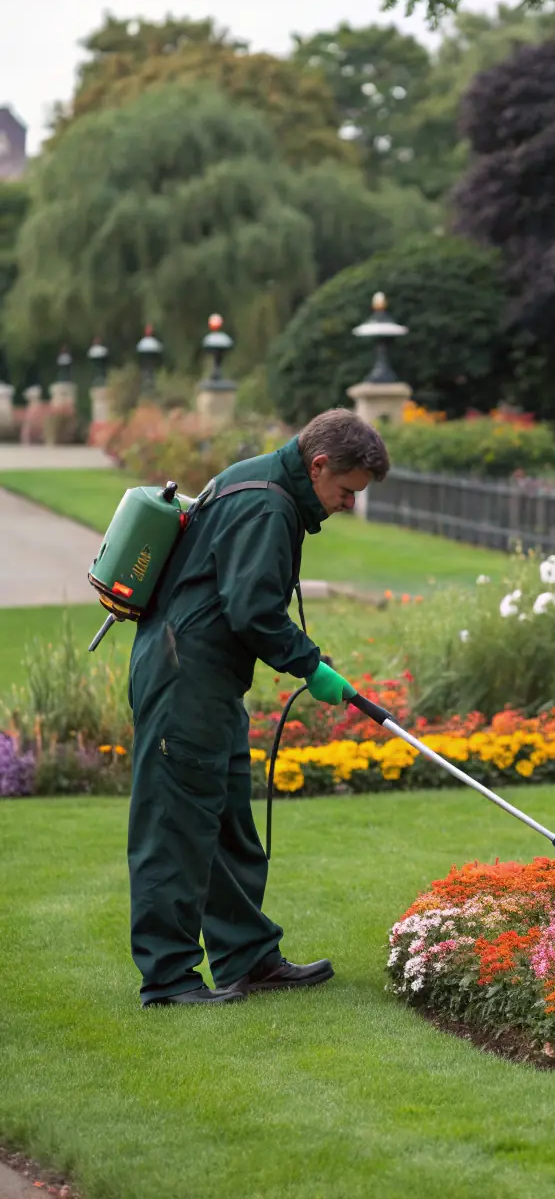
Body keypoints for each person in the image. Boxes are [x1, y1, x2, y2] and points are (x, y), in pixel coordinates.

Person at [126, 408, 390, 1007]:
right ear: (318, 465)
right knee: (176, 830)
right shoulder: (267, 504)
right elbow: (252, 611)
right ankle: (168, 981)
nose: (349, 504)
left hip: (205, 681)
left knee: (226, 825)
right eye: (347, 491)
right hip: (183, 680)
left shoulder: (265, 485)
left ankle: (248, 958)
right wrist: (311, 666)